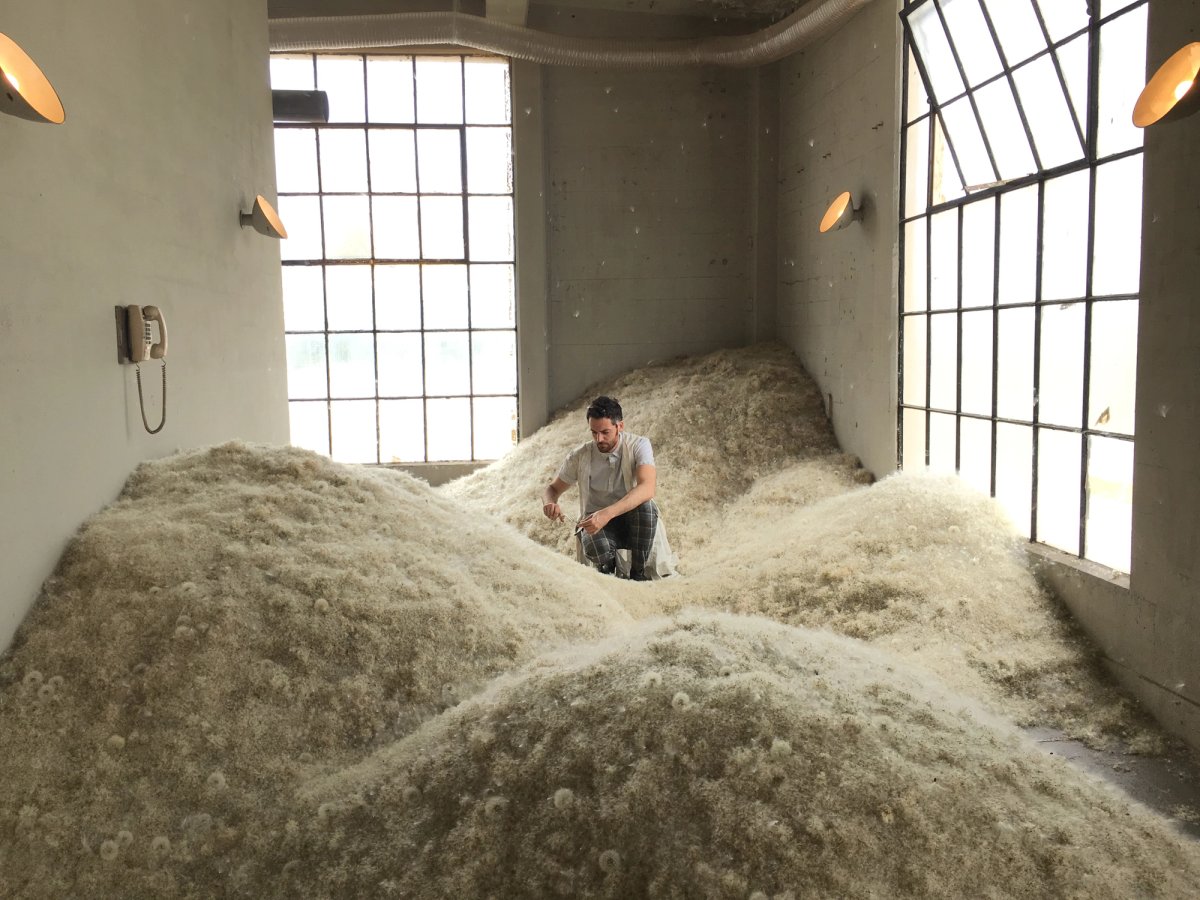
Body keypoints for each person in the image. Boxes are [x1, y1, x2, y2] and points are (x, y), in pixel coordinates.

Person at [542, 396, 677, 580]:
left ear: (620, 426)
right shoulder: (579, 455)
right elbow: (552, 489)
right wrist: (549, 503)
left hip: (632, 519)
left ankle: (638, 573)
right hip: (596, 522)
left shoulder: (639, 445)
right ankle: (607, 573)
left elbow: (647, 488)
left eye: (605, 432)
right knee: (597, 548)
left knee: (647, 507)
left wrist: (607, 513)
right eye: (594, 433)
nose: (599, 439)